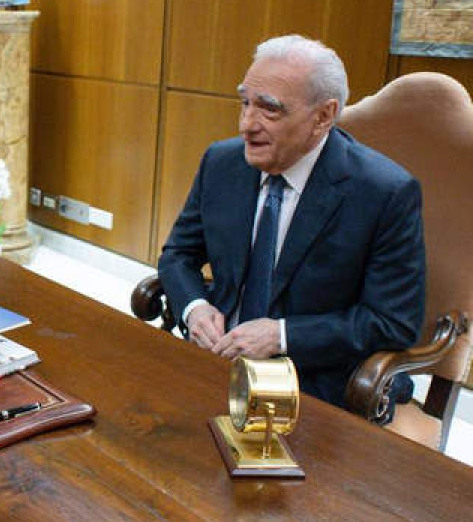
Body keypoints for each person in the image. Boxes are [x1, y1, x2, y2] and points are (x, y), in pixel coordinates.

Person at [158, 34, 424, 408]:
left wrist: (282, 336)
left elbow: (392, 322)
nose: (246, 125)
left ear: (323, 116)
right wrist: (194, 309)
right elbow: (178, 255)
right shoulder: (221, 163)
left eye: (269, 109)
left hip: (312, 381)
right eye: (244, 102)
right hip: (213, 360)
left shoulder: (383, 193)